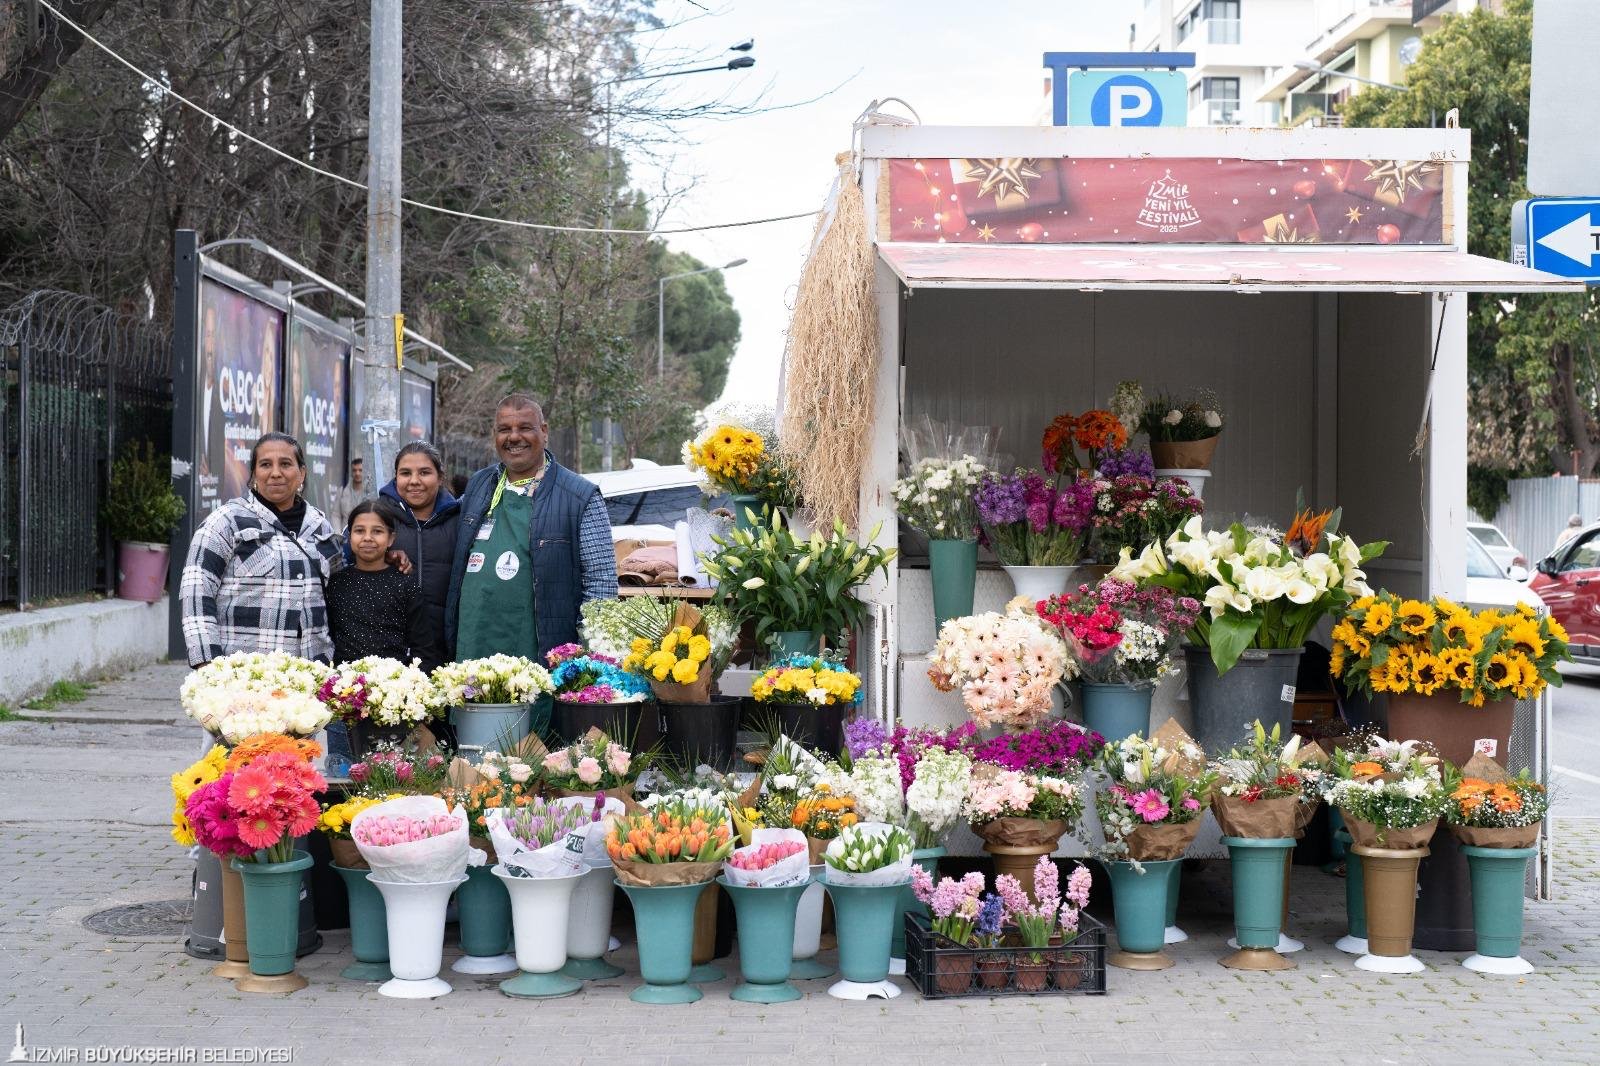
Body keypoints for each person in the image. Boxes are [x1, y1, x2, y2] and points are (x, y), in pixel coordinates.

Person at [445, 394, 617, 661]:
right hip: (473, 648)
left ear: (544, 432)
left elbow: (601, 585)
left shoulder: (579, 496)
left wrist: (587, 655)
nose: (514, 437)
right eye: (504, 430)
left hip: (543, 657)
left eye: (524, 427)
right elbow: (438, 525)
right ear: (494, 435)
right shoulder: (479, 485)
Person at [180, 432, 344, 667]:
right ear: (255, 473)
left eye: (286, 464)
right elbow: (195, 594)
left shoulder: (320, 526)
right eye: (265, 464)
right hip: (247, 679)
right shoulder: (225, 523)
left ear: (302, 473)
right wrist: (208, 666)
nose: (275, 473)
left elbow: (339, 596)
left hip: (312, 676)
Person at [327, 500, 442, 671]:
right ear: (349, 536)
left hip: (394, 686)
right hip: (345, 687)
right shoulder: (336, 583)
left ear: (391, 538)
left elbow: (423, 646)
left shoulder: (405, 583)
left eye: (377, 531)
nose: (367, 538)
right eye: (359, 531)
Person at [377, 441, 462, 654]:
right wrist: (378, 556)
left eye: (424, 472)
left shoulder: (461, 521)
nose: (414, 481)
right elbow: (346, 564)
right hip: (387, 650)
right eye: (405, 473)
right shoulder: (375, 516)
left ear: (440, 477)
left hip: (445, 651)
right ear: (395, 476)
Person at [329, 456, 366, 534]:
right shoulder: (342, 491)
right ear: (351, 472)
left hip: (364, 533)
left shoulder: (369, 492)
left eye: (360, 470)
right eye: (354, 470)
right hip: (346, 535)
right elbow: (336, 514)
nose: (357, 473)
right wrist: (338, 533)